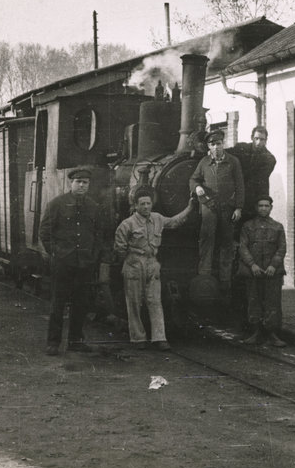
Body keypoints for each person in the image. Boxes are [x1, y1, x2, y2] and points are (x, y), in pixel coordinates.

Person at [114, 186, 196, 350]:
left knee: (155, 302)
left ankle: (159, 338)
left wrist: (190, 207)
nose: (146, 207)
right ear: (135, 206)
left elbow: (174, 222)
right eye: (142, 204)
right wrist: (129, 263)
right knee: (134, 303)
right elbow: (119, 248)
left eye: (148, 203)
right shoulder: (127, 224)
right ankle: (138, 339)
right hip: (134, 264)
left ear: (152, 204)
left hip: (152, 263)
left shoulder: (157, 218)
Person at [40, 168, 105, 356]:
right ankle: (53, 343)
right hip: (63, 263)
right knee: (58, 303)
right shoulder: (56, 205)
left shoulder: (94, 207)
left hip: (84, 263)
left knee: (81, 303)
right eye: (78, 182)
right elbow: (45, 232)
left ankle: (75, 341)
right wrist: (57, 253)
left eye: (85, 182)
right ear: (71, 183)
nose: (82, 185)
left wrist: (93, 256)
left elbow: (99, 234)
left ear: (89, 185)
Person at [189, 129, 245, 290]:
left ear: (223, 144)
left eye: (219, 144)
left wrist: (239, 208)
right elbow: (193, 179)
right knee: (207, 241)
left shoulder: (233, 161)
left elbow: (240, 185)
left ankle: (225, 281)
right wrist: (197, 187)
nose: (216, 147)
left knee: (227, 243)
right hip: (209, 209)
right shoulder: (204, 163)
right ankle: (204, 279)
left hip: (228, 209)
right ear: (208, 146)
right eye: (212, 144)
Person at [237, 195, 287, 347]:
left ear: (271, 208)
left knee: (273, 302)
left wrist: (273, 265)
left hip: (272, 272)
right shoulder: (247, 226)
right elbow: (243, 247)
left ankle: (272, 334)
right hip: (254, 271)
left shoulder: (278, 227)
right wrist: (252, 265)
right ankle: (256, 332)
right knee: (254, 300)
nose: (264, 208)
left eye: (266, 206)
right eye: (261, 206)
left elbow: (282, 248)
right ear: (256, 208)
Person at [230, 126, 277, 224]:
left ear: (266, 141)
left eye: (262, 139)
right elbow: (225, 154)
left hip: (255, 198)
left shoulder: (269, 159)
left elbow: (254, 179)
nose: (259, 142)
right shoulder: (241, 148)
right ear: (252, 138)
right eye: (256, 138)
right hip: (237, 198)